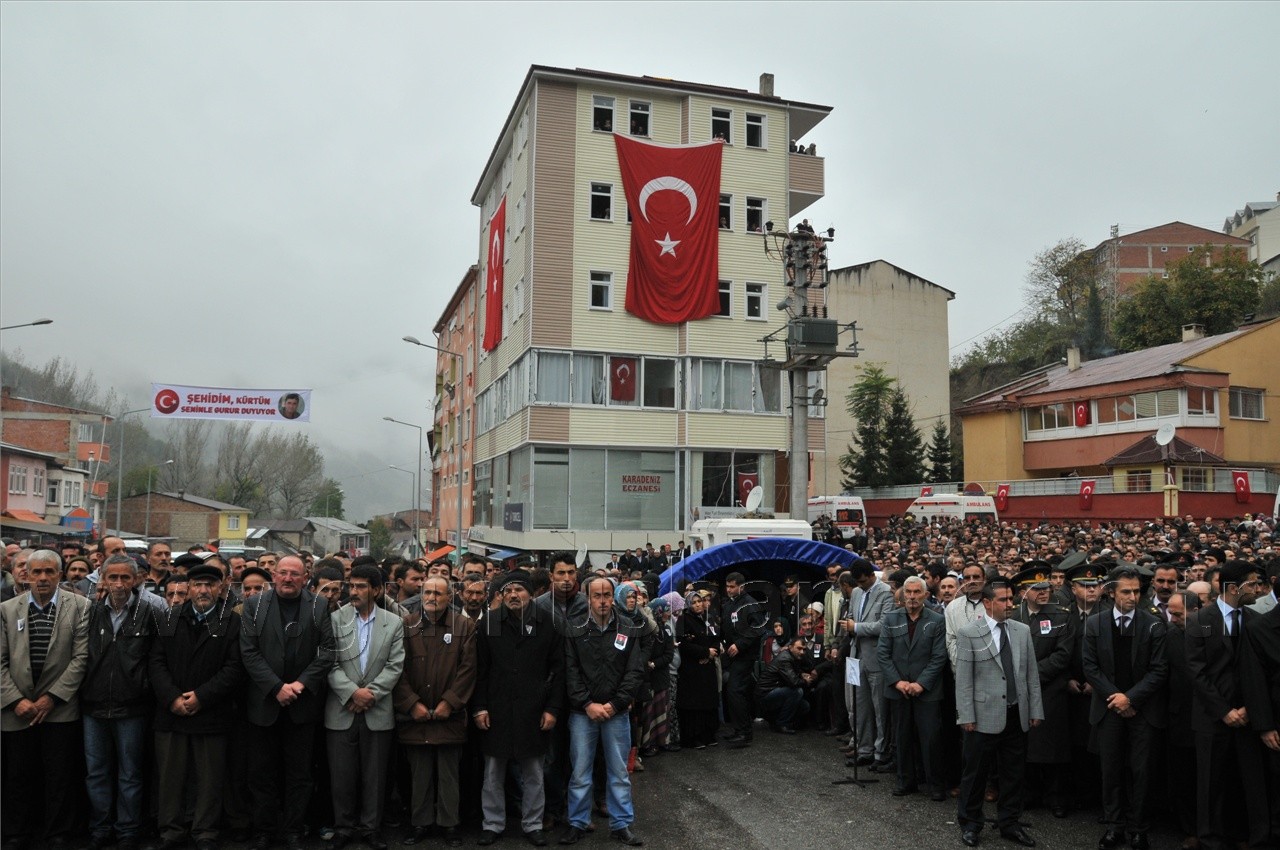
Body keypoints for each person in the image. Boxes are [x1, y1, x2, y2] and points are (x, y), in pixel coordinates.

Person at [239, 554, 336, 850]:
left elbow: (327, 651)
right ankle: (264, 830)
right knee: (261, 773)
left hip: (302, 704)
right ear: (274, 575)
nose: (288, 578)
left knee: (300, 774)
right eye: (283, 573)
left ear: (305, 577)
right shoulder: (255, 605)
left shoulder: (319, 605)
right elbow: (249, 652)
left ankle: (294, 829)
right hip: (264, 704)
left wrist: (299, 684)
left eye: (295, 574)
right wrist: (276, 687)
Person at [0, 550, 91, 850]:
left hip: (59, 708)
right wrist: (16, 701)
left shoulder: (80, 606)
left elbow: (80, 658)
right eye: (35, 572)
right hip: (17, 709)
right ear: (25, 575)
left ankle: (57, 833)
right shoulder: (6, 610)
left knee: (59, 775)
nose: (42, 578)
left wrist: (51, 698)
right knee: (17, 775)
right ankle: (16, 832)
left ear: (60, 575)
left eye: (49, 572)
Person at [150, 561, 243, 850]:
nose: (203, 590)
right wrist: (173, 698)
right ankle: (171, 829)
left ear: (220, 588)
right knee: (170, 777)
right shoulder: (168, 618)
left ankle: (205, 831)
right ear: (188, 588)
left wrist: (202, 696)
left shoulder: (233, 622)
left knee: (210, 779)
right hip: (172, 712)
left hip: (211, 712)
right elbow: (155, 662)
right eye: (198, 585)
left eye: (210, 585)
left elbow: (234, 667)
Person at [1185, 560, 1270, 850]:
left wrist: (1247, 707)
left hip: (1248, 716)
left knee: (1249, 781)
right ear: (1234, 588)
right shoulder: (1200, 620)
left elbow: (1262, 670)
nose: (1258, 589)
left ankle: (1249, 836)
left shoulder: (1256, 620)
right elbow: (1196, 672)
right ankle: (1210, 839)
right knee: (1210, 783)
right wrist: (1224, 711)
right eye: (1253, 584)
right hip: (1212, 718)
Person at [473, 569, 562, 847]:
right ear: (501, 594)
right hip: (496, 709)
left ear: (531, 593)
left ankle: (533, 824)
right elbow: (480, 670)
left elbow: (558, 670)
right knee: (493, 774)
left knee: (533, 773)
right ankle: (493, 824)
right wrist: (479, 707)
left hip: (533, 710)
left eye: (519, 590)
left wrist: (552, 709)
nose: (513, 595)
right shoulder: (489, 623)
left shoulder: (548, 623)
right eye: (508, 591)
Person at [1082, 566, 1168, 850]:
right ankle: (1114, 826)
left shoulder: (1153, 624)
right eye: (1126, 592)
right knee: (1111, 770)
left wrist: (1130, 699)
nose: (1133, 597)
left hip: (1143, 709)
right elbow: (1090, 667)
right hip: (1109, 709)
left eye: (1137, 591)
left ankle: (1139, 828)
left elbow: (1159, 670)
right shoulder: (1095, 623)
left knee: (1141, 772)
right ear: (1111, 593)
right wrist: (1117, 699)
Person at [954, 582, 1044, 848]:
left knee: (1014, 774)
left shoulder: (1021, 631)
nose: (1009, 605)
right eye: (1003, 600)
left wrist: (1035, 708)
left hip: (1016, 715)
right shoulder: (969, 633)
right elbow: (964, 679)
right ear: (987, 602)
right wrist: (966, 715)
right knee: (975, 774)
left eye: (1011, 600)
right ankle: (970, 824)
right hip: (982, 717)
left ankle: (1010, 823)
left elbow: (1031, 674)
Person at [559, 575, 645, 847]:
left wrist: (614, 704)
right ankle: (578, 822)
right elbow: (570, 672)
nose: (603, 600)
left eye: (607, 594)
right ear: (588, 598)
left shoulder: (628, 627)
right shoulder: (574, 628)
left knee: (619, 772)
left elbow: (635, 671)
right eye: (597, 595)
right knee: (580, 772)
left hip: (616, 713)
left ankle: (621, 824)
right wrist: (587, 703)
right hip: (582, 713)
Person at [325, 563, 405, 850]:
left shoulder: (393, 623)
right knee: (341, 776)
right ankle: (343, 828)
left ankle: (372, 828)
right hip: (342, 709)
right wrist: (351, 693)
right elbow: (329, 663)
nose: (354, 591)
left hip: (377, 709)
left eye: (360, 586)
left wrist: (370, 693)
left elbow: (395, 665)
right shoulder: (335, 619)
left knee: (376, 776)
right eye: (351, 586)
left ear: (377, 589)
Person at [395, 576, 477, 848]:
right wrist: (411, 703)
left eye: (438, 593)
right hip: (415, 716)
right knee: (419, 774)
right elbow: (398, 668)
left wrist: (450, 703)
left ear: (450, 596)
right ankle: (420, 823)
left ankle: (449, 823)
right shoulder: (407, 625)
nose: (432, 597)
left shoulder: (464, 625)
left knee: (448, 773)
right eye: (428, 592)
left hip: (449, 716)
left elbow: (468, 670)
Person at [81, 554, 156, 850]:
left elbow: (155, 659)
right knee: (96, 772)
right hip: (93, 705)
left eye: (125, 577)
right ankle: (100, 828)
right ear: (102, 579)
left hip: (132, 707)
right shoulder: (90, 613)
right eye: (113, 577)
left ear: (136, 579)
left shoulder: (149, 614)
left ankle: (127, 830)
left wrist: (141, 687)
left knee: (130, 773)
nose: (119, 583)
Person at [1009, 563, 1074, 818]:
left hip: (1050, 689)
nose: (1043, 592)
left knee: (1053, 747)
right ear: (1024, 591)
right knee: (1025, 746)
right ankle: (1029, 793)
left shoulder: (1061, 615)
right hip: (1019, 690)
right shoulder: (1014, 616)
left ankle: (1056, 797)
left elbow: (1063, 654)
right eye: (1036, 588)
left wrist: (1032, 674)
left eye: (1045, 587)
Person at [876, 575, 948, 800]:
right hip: (899, 690)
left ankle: (935, 785)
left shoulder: (936, 620)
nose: (912, 597)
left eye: (917, 592)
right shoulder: (891, 619)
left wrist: (921, 684)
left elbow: (939, 657)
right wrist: (898, 682)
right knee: (902, 737)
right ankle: (906, 781)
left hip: (927, 691)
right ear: (903, 594)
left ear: (926, 595)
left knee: (931, 739)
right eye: (908, 592)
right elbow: (883, 653)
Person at [845, 559, 894, 769]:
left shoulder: (885, 592)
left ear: (871, 575)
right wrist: (849, 625)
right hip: (856, 655)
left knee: (879, 709)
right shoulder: (856, 592)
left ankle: (880, 753)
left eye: (863, 581)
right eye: (858, 582)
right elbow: (850, 617)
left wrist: (856, 627)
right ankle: (863, 748)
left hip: (876, 658)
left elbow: (884, 625)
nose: (861, 585)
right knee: (859, 705)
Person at [719, 572, 764, 747]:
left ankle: (745, 732)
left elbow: (757, 628)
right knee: (734, 691)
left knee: (736, 690)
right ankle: (738, 729)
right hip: (732, 653)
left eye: (732, 587)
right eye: (727, 586)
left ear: (741, 586)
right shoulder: (731, 603)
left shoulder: (750, 603)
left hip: (744, 655)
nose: (728, 590)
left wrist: (740, 645)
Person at [675, 589, 721, 750]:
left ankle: (708, 734)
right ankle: (693, 737)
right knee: (694, 703)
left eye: (699, 601)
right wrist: (704, 652)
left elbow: (716, 637)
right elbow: (684, 644)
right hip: (692, 668)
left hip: (707, 666)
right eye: (694, 602)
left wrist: (712, 652)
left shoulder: (709, 618)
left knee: (708, 701)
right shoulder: (683, 620)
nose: (698, 605)